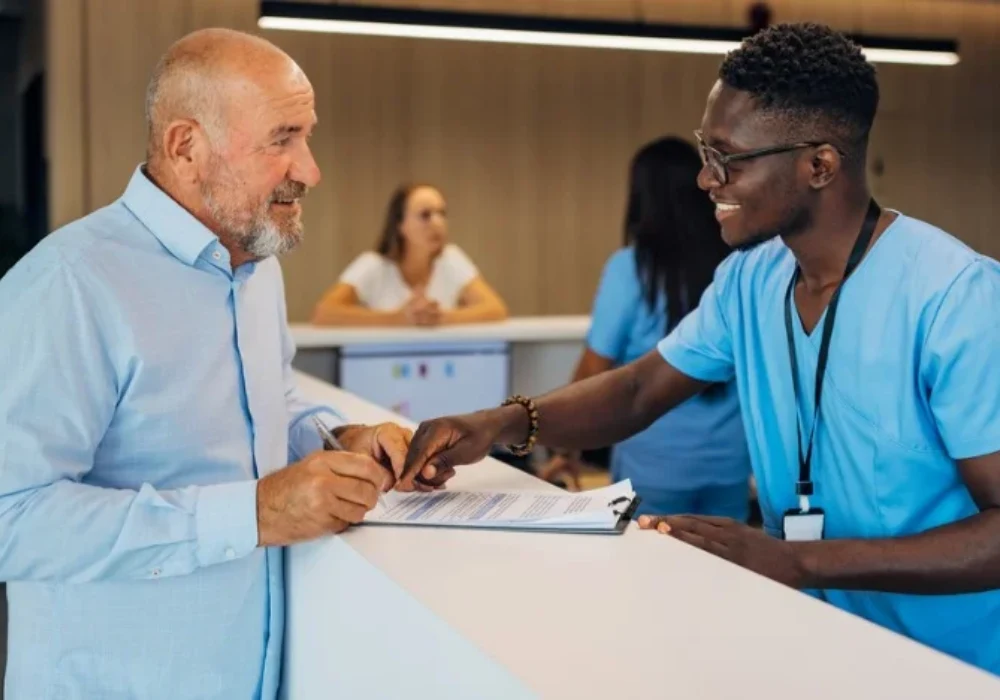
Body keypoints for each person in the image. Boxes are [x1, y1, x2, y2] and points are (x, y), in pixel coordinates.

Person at [398, 23, 1000, 674]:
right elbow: (639, 389)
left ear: (818, 165)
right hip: (812, 641)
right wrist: (501, 423)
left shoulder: (955, 299)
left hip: (947, 664)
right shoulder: (751, 278)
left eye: (727, 158)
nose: (705, 180)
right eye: (702, 151)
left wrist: (799, 560)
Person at [0, 29, 413, 698]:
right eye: (281, 139)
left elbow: (265, 407)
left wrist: (340, 439)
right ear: (185, 146)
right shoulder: (69, 285)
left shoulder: (256, 267)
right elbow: (10, 515)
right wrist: (251, 514)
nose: (310, 170)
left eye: (306, 136)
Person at [540, 137, 750, 519]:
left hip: (653, 466)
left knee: (648, 577)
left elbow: (593, 370)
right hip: (730, 462)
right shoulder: (735, 266)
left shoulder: (631, 269)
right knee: (721, 575)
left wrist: (564, 444)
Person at [311, 183, 508, 326]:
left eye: (442, 214)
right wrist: (397, 319)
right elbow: (324, 313)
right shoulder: (373, 264)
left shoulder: (451, 259)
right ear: (400, 225)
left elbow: (495, 309)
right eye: (425, 215)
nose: (438, 223)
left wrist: (440, 318)